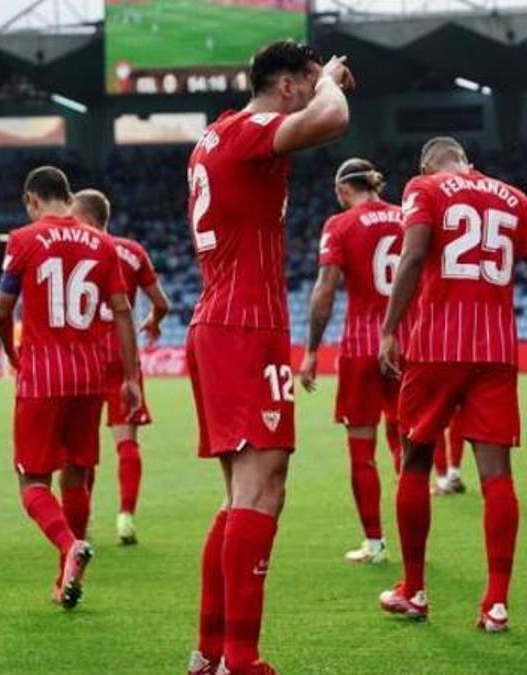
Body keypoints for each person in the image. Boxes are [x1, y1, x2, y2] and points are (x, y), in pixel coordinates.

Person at [185, 40, 354, 675]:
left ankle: (209, 653)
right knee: (264, 490)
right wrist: (331, 81)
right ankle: (240, 660)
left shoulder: (216, 135)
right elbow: (331, 120)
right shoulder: (253, 127)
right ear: (286, 86)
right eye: (307, 82)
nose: (314, 91)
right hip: (243, 325)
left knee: (240, 497)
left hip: (223, 319)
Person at [376, 137, 527, 630]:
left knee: (415, 460)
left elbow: (414, 257)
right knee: (497, 474)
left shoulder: (425, 188)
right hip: (496, 351)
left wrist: (391, 327)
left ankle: (413, 591)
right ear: (467, 161)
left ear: (426, 164)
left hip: (436, 348)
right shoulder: (514, 197)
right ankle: (496, 603)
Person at [0, 166, 142, 609]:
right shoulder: (102, 243)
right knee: (76, 472)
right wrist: (131, 377)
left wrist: (11, 352)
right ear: (68, 195)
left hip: (43, 375)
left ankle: (68, 546)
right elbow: (122, 311)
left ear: (32, 200)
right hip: (90, 376)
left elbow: (2, 309)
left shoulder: (23, 239)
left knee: (32, 480)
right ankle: (65, 579)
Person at [299, 158, 403, 565]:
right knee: (411, 446)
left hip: (362, 347)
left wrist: (311, 349)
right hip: (407, 344)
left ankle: (375, 544)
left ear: (344, 190)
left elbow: (325, 291)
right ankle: (415, 540)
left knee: (363, 452)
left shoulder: (340, 226)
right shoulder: (408, 216)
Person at [70, 188, 171, 545]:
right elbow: (161, 302)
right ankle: (126, 516)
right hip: (123, 353)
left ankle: (83, 520)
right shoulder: (132, 251)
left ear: (87, 218)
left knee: (82, 446)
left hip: (84, 355)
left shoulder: (75, 247)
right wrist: (154, 320)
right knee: (126, 441)